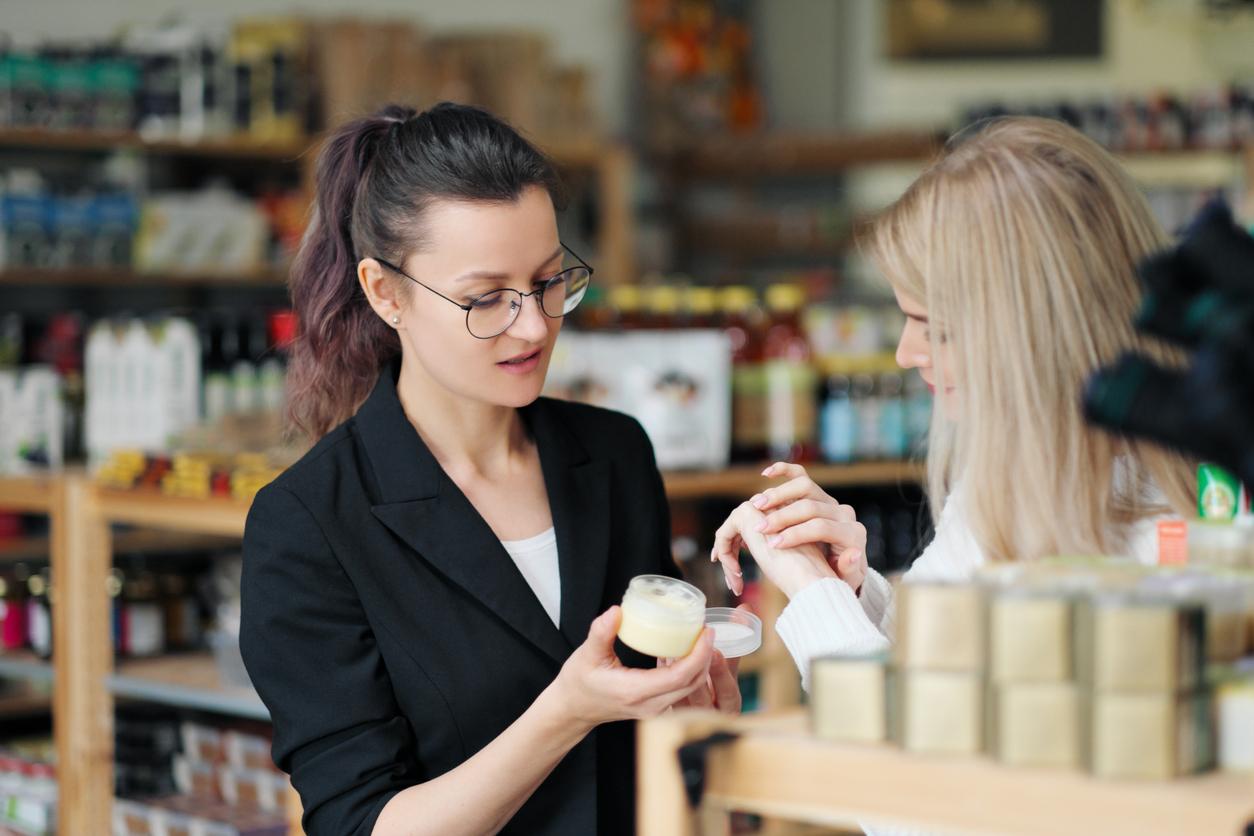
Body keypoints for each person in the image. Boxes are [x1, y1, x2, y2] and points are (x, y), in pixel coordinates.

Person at [240, 103, 740, 836]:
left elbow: (653, 742)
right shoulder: (310, 524)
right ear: (385, 293)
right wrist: (564, 713)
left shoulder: (613, 454)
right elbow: (360, 823)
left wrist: (698, 717)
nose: (534, 325)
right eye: (485, 300)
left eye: (548, 281)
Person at [709, 116, 1198, 690]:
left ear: (1036, 326)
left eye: (933, 326)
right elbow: (924, 672)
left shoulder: (1176, 532)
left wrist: (814, 592)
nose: (903, 353)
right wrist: (851, 590)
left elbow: (907, 743)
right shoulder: (1012, 475)